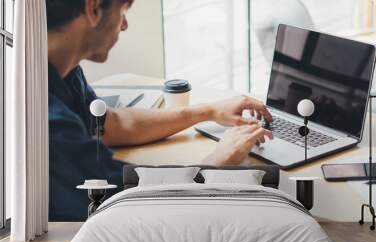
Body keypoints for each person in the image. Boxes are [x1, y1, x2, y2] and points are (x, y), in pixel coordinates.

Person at [46, 0, 273, 221]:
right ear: (94, 8)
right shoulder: (46, 121)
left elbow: (113, 125)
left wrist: (209, 111)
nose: (124, 25)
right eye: (123, 11)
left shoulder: (63, 70)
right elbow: (140, 207)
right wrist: (219, 161)